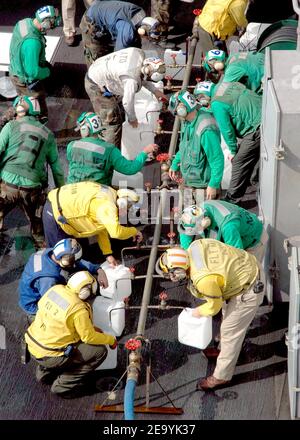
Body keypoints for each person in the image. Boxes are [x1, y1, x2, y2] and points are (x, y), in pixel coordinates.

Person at [156, 240, 265, 390]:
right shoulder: (195, 246)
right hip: (246, 268)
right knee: (227, 315)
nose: (170, 277)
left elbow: (214, 307)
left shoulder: (203, 280)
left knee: (229, 332)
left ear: (179, 271)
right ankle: (223, 352)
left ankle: (221, 377)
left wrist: (198, 312)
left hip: (249, 288)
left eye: (171, 274)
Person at [25, 271, 117, 397]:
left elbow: (61, 322)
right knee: (100, 352)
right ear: (85, 292)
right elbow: (88, 337)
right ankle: (62, 386)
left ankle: (44, 373)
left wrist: (90, 328)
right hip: (51, 355)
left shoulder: (55, 290)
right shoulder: (78, 309)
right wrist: (110, 340)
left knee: (52, 342)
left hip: (33, 345)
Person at [0, 96, 65, 247]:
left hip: (7, 186)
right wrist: (61, 194)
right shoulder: (48, 134)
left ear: (20, 110)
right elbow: (56, 169)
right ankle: (42, 247)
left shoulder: (11, 126)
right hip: (32, 189)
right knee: (38, 225)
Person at [42, 181, 143, 266]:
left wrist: (107, 254)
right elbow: (116, 233)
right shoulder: (108, 207)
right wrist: (134, 231)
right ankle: (56, 284)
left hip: (58, 201)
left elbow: (102, 228)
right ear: (122, 203)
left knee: (76, 254)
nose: (126, 212)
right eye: (127, 208)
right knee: (60, 257)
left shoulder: (109, 192)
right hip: (54, 214)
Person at [195, 80, 262, 205]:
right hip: (264, 115)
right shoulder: (227, 85)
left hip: (255, 129)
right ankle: (256, 182)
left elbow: (227, 130)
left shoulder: (216, 103)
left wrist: (233, 150)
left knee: (239, 161)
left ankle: (231, 201)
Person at [85, 47, 167, 147]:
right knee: (112, 121)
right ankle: (108, 153)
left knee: (118, 109)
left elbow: (141, 77)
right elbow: (127, 102)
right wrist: (132, 119)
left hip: (98, 67)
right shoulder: (131, 81)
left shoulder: (138, 53)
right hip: (95, 84)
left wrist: (155, 91)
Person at [19, 238, 109, 319]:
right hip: (35, 306)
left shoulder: (50, 253)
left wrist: (98, 269)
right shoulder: (48, 280)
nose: (75, 264)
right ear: (65, 262)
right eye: (73, 262)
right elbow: (53, 303)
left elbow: (77, 262)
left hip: (40, 287)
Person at [67, 111, 159, 185]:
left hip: (71, 194)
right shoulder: (109, 150)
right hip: (97, 196)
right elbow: (131, 169)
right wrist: (145, 152)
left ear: (84, 129)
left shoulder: (71, 146)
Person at [168, 90, 224, 201]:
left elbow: (217, 159)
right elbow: (185, 146)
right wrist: (175, 163)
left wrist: (213, 185)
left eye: (176, 113)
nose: (177, 116)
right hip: (188, 183)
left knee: (204, 218)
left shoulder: (205, 129)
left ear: (182, 110)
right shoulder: (188, 122)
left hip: (203, 188)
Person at [9, 5, 62, 122]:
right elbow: (33, 72)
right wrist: (47, 72)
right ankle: (39, 120)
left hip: (15, 69)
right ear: (46, 23)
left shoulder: (24, 23)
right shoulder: (33, 43)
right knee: (36, 102)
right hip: (24, 79)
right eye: (52, 23)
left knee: (23, 99)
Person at [177, 200, 268, 262]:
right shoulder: (198, 211)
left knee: (247, 276)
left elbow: (238, 256)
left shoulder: (228, 226)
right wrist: (187, 253)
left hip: (254, 240)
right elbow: (185, 231)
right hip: (236, 232)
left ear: (204, 222)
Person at [80, 0, 164, 66]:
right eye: (148, 37)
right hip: (91, 21)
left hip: (104, 13)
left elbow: (135, 42)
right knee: (97, 61)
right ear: (143, 32)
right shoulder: (127, 31)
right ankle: (95, 83)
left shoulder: (140, 13)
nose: (147, 39)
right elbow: (118, 54)